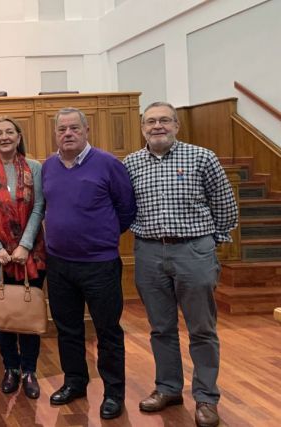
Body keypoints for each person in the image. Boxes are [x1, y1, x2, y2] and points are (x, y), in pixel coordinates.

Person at [123, 101, 238, 427]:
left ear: (176, 125)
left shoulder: (202, 157)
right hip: (148, 253)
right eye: (150, 122)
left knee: (202, 329)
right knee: (161, 328)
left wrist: (207, 246)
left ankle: (206, 398)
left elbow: (226, 207)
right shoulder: (131, 163)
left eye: (164, 121)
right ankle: (168, 388)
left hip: (193, 252)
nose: (157, 126)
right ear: (143, 128)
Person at [41, 107, 136, 420]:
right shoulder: (48, 167)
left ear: (86, 131)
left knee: (107, 331)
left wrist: (102, 236)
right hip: (59, 264)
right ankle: (75, 382)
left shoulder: (108, 164)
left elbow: (126, 209)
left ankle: (113, 393)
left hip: (100, 265)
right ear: (55, 134)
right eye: (62, 129)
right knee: (67, 329)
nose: (68, 134)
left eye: (74, 128)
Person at [0, 116, 47, 399]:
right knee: (3, 313)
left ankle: (29, 370)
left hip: (31, 253)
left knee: (27, 312)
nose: (3, 137)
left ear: (18, 136)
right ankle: (10, 368)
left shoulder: (35, 167)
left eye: (9, 132)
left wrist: (24, 245)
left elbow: (39, 205)